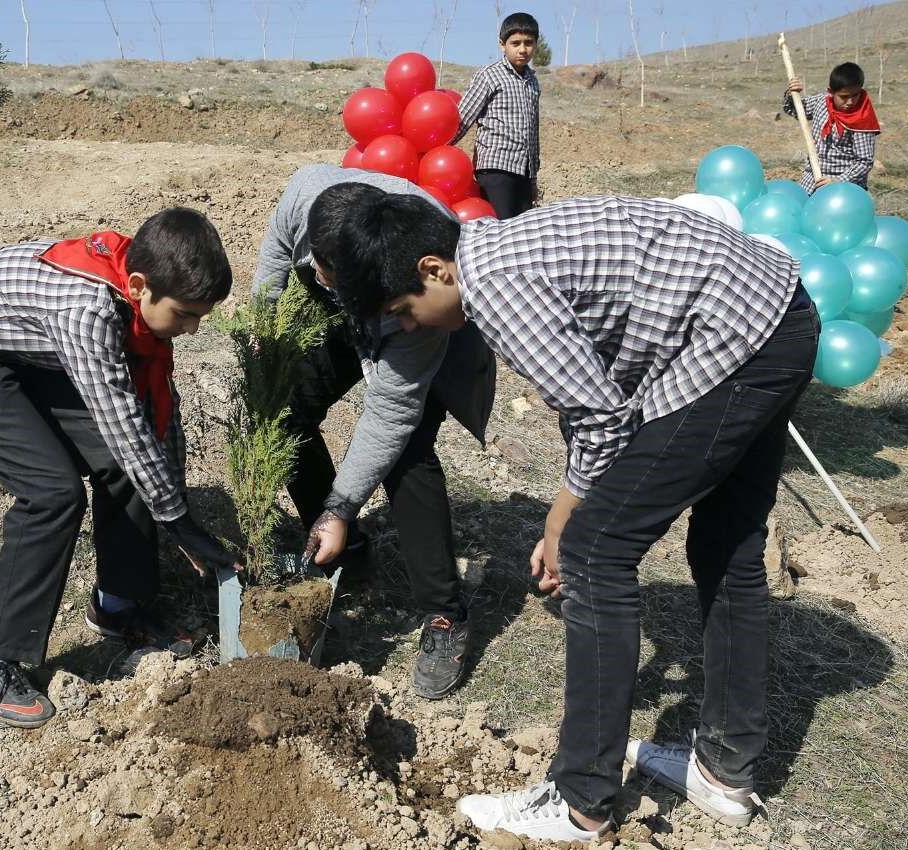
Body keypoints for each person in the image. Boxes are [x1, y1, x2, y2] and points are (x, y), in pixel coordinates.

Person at [331, 192, 819, 841]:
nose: (411, 328)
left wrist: (562, 522)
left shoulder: (496, 285)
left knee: (595, 554)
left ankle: (581, 800)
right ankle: (724, 771)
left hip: (738, 340)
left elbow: (600, 422)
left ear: (433, 269)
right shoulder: (493, 246)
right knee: (726, 544)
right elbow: (591, 395)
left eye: (404, 311)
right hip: (776, 313)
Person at [0, 208, 239, 729]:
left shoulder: (140, 296)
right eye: (185, 315)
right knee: (52, 493)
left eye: (201, 316)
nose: (192, 330)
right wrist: (179, 524)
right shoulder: (87, 309)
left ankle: (116, 605)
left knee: (128, 464)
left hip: (24, 348)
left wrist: (177, 509)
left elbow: (154, 417)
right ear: (138, 284)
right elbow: (123, 421)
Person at [252, 163, 497, 699]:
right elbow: (274, 256)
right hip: (355, 310)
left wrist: (345, 501)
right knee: (287, 411)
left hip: (416, 315)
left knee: (406, 453)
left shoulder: (418, 278)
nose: (319, 281)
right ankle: (343, 546)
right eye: (319, 271)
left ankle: (443, 615)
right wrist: (263, 336)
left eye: (331, 280)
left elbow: (390, 409)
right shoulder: (307, 193)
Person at [452, 11, 542, 219]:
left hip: (523, 172)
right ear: (502, 45)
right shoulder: (490, 76)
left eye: (528, 43)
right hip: (495, 170)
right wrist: (436, 150)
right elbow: (463, 118)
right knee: (499, 231)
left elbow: (533, 132)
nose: (522, 49)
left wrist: (533, 179)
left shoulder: (533, 81)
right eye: (515, 43)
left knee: (522, 232)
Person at [784, 61, 881, 193]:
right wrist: (792, 93)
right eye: (844, 97)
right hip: (811, 178)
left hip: (844, 186)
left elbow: (864, 162)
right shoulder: (821, 101)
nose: (850, 102)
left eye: (855, 95)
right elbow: (794, 109)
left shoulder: (862, 118)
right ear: (831, 92)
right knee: (798, 208)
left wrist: (837, 181)